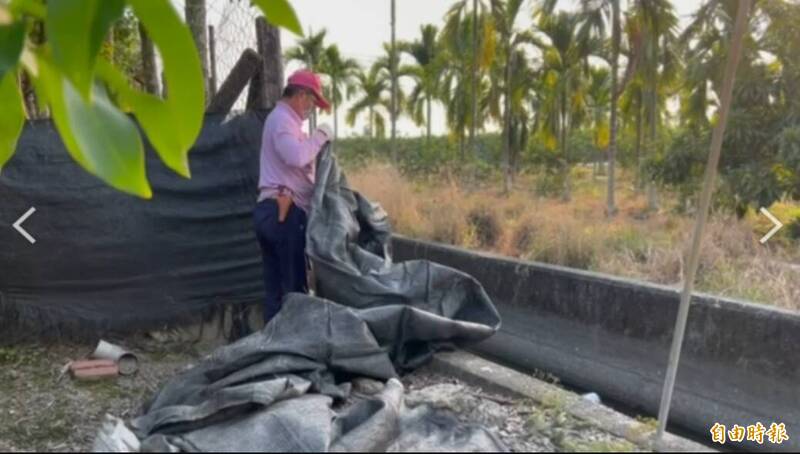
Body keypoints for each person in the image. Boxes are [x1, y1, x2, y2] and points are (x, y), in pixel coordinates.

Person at [254, 69, 333, 324]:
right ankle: (293, 348)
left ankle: (273, 349)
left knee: (277, 289)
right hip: (284, 213)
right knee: (294, 287)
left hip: (274, 211)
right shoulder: (282, 121)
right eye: (312, 101)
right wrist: (321, 135)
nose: (311, 108)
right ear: (301, 95)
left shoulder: (283, 122)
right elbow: (296, 156)